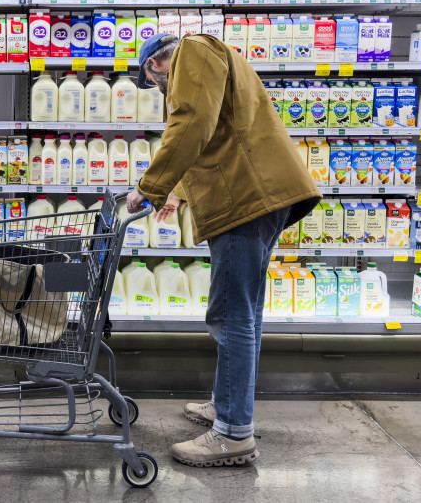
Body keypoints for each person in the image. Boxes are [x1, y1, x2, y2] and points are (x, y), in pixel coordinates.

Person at [126, 33, 321, 467]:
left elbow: (192, 122)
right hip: (253, 193)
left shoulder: (193, 52)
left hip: (246, 198)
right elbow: (214, 132)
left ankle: (233, 434)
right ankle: (226, 404)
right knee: (243, 311)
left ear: (155, 66)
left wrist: (150, 187)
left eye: (154, 84)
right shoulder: (211, 58)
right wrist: (174, 191)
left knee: (231, 313)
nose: (162, 93)